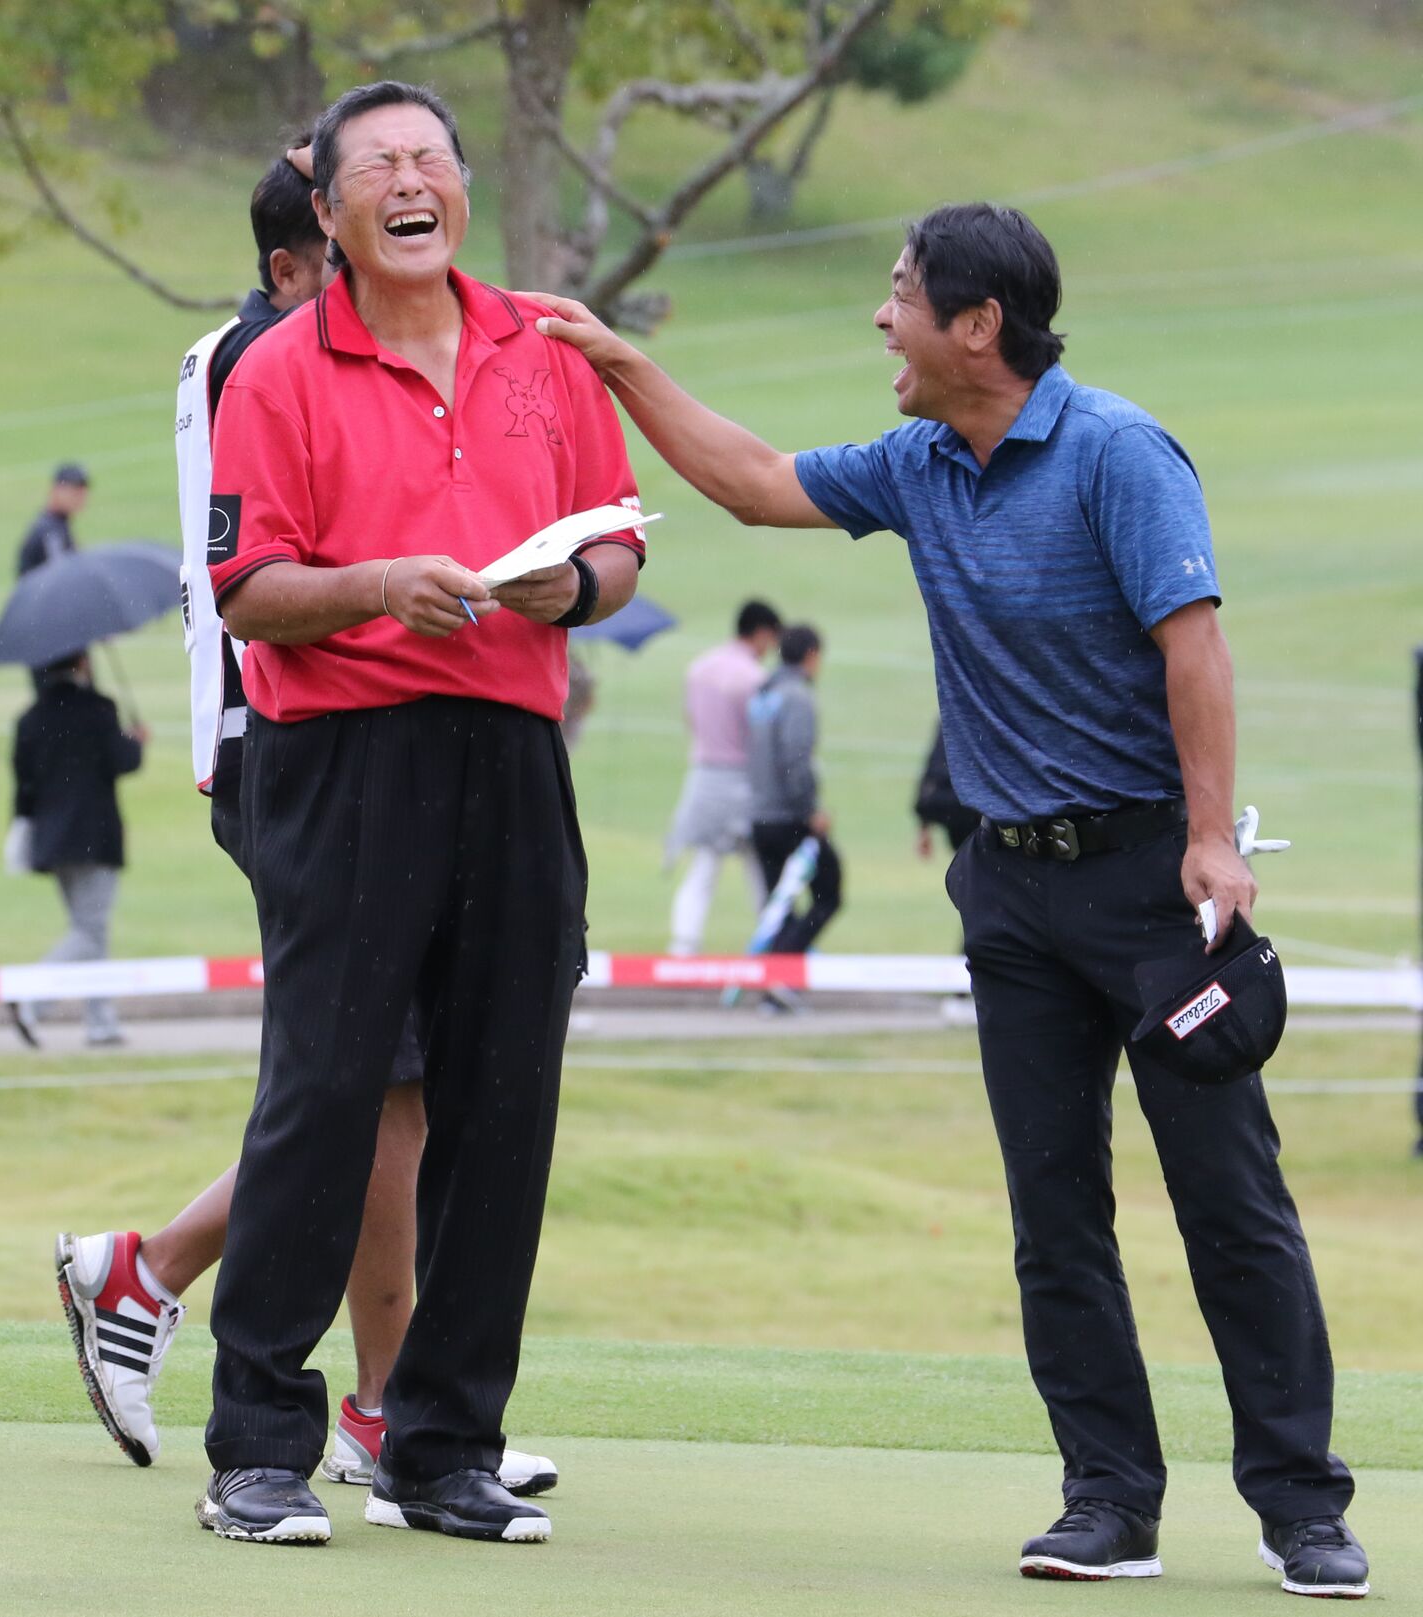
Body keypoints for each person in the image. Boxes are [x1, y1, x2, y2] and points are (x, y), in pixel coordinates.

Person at [532, 202, 1367, 1596]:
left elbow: (1195, 648)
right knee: (1055, 1211)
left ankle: (1302, 1510)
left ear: (978, 326)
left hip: (1152, 886)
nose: (883, 317)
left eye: (903, 294)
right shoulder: (917, 463)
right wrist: (619, 362)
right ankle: (1110, 1501)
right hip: (1010, 895)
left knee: (1229, 1202)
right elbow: (752, 482)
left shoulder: (1119, 453)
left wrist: (1213, 838)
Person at [53, 149, 557, 1500]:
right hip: (296, 746)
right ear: (297, 263)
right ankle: (364, 1393)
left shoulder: (248, 345)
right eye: (348, 230)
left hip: (341, 746)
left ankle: (166, 1280)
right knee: (365, 1081)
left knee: (386, 1083)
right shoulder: (270, 358)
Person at [192, 80, 645, 1548]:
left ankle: (444, 1446)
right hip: (344, 759)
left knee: (504, 1097)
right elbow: (249, 588)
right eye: (375, 165)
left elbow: (620, 543)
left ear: (461, 189)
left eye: (430, 159)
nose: (409, 181)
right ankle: (259, 1444)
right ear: (327, 213)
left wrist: (570, 589)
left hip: (514, 752)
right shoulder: (277, 371)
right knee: (324, 1092)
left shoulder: (543, 347)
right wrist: (386, 584)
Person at [10, 651, 145, 1047]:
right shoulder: (99, 708)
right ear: (82, 662)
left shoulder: (30, 718)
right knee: (89, 931)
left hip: (52, 841)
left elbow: (24, 787)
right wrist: (137, 742)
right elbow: (123, 761)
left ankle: (101, 1023)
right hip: (95, 836)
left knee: (91, 930)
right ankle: (29, 998)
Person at [666, 599, 782, 955]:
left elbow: (690, 720)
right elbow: (762, 739)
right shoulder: (755, 678)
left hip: (704, 779)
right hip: (743, 783)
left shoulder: (698, 669)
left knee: (703, 868)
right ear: (761, 633)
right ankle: (771, 948)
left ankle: (683, 949)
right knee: (760, 872)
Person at [747, 623, 841, 954]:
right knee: (829, 892)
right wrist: (810, 810)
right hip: (790, 818)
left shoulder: (763, 694)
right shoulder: (797, 697)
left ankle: (780, 969)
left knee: (781, 908)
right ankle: (785, 965)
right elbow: (795, 759)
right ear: (811, 655)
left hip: (759, 815)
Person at [913, 721, 980, 861]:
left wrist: (924, 825)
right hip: (974, 809)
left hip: (962, 807)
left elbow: (934, 767)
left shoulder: (952, 717)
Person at [15, 463, 90, 577]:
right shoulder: (50, 530)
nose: (80, 497)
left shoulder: (57, 524)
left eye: (82, 492)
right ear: (55, 490)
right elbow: (61, 574)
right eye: (74, 491)